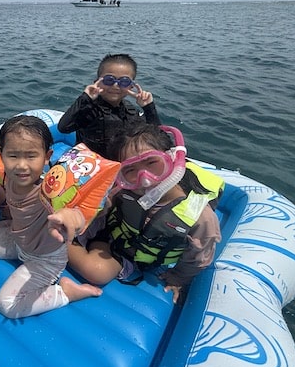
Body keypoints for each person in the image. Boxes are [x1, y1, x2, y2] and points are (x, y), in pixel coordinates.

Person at [55, 124, 223, 304]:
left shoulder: (200, 216)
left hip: (131, 251)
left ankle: (57, 241)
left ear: (172, 159)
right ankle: (58, 237)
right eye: (130, 169)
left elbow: (199, 257)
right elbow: (101, 205)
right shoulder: (124, 186)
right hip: (113, 226)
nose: (144, 177)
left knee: (97, 271)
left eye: (151, 162)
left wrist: (178, 278)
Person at [0, 115, 102, 319]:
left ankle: (66, 292)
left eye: (31, 156)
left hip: (45, 260)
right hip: (19, 241)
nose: (22, 165)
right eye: (13, 156)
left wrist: (72, 217)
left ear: (47, 157)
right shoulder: (8, 178)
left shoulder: (52, 193)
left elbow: (75, 214)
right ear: (1, 154)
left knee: (7, 305)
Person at [57, 53, 161, 161]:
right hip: (92, 164)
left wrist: (148, 107)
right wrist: (85, 98)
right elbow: (63, 127)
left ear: (131, 86)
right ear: (97, 82)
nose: (115, 86)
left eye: (124, 82)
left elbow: (158, 138)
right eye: (109, 80)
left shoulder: (131, 111)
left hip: (120, 164)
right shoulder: (89, 109)